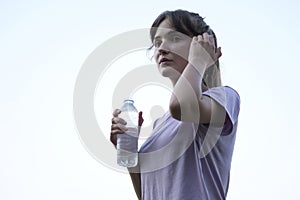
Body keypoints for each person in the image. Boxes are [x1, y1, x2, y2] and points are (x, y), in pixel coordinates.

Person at [110, 9, 240, 200]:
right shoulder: (159, 125)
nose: (161, 48)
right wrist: (128, 151)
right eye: (157, 43)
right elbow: (147, 194)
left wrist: (198, 59)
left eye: (174, 38)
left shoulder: (224, 97)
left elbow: (182, 106)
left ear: (202, 44)